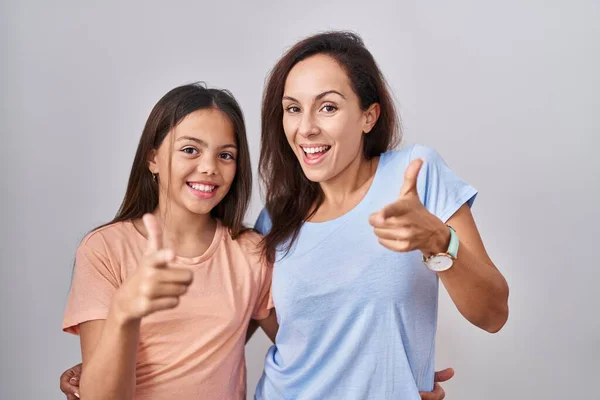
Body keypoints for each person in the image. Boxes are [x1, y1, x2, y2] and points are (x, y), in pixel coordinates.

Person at [253, 30, 509, 399]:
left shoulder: (417, 174)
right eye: (293, 108)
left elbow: (493, 314)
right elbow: (303, 339)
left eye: (328, 107)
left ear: (368, 116)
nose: (305, 127)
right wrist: (381, 372)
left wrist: (437, 241)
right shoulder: (275, 218)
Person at [61, 83, 277, 399]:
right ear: (153, 158)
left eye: (225, 155)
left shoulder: (250, 252)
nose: (208, 168)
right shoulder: (104, 250)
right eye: (190, 149)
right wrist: (124, 313)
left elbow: (306, 351)